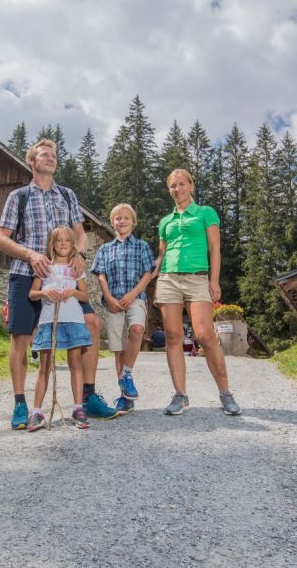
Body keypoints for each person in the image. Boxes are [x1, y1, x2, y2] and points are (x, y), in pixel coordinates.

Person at [0, 139, 116, 430]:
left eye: (54, 155)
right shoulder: (19, 196)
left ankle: (86, 398)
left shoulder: (67, 194)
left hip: (64, 275)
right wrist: (30, 254)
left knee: (91, 325)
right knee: (21, 337)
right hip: (27, 273)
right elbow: (1, 239)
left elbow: (80, 234)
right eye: (44, 155)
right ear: (32, 161)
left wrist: (81, 255)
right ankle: (21, 404)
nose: (51, 158)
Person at [153, 169, 242, 416]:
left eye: (182, 184)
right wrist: (148, 276)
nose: (177, 189)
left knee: (204, 335)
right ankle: (180, 396)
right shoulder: (165, 221)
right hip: (168, 278)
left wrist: (214, 281)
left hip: (197, 278)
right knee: (173, 336)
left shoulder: (206, 213)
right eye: (172, 185)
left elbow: (215, 249)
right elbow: (161, 255)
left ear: (191, 186)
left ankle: (225, 393)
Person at [91, 203, 155, 415]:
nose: (122, 221)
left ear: (133, 223)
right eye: (118, 218)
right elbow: (100, 274)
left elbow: (148, 273)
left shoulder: (142, 246)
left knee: (136, 330)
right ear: (113, 223)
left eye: (126, 218)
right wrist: (108, 297)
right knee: (118, 348)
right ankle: (125, 396)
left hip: (135, 297)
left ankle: (127, 374)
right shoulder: (105, 249)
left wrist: (134, 293)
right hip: (113, 302)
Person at [28, 226, 92, 431]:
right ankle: (36, 412)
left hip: (73, 320)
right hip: (49, 321)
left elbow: (85, 296)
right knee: (44, 366)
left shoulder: (76, 267)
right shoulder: (45, 267)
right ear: (52, 244)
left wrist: (73, 291)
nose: (63, 243)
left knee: (75, 364)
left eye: (67, 240)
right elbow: (32, 293)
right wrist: (44, 291)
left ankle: (78, 407)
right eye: (58, 240)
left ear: (72, 244)